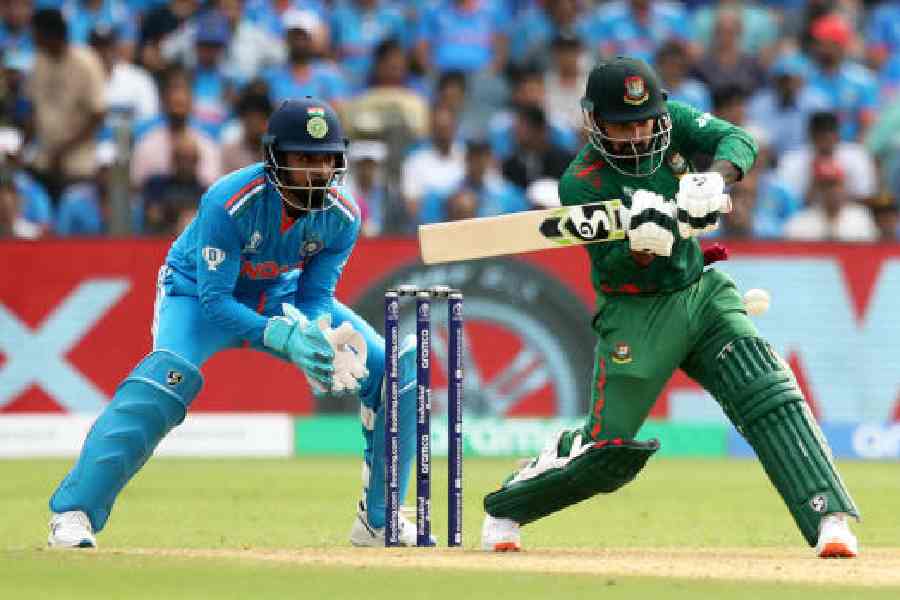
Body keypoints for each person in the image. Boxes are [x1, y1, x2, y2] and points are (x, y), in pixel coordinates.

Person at [479, 57, 860, 559]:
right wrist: (639, 248)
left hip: (698, 291)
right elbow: (611, 268)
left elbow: (740, 141)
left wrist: (715, 179)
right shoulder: (581, 183)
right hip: (636, 312)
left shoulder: (673, 120)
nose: (638, 136)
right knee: (605, 454)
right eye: (622, 125)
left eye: (643, 122)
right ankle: (508, 506)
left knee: (766, 388)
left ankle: (829, 518)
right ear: (594, 122)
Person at [46, 98, 431, 549]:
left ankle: (379, 521)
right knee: (168, 377)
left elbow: (314, 297)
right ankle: (73, 514)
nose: (317, 172)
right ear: (273, 159)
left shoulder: (343, 216)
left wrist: (319, 336)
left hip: (280, 295)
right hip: (195, 291)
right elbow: (215, 301)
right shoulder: (228, 202)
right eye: (303, 159)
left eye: (326, 159)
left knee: (395, 371)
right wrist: (281, 336)